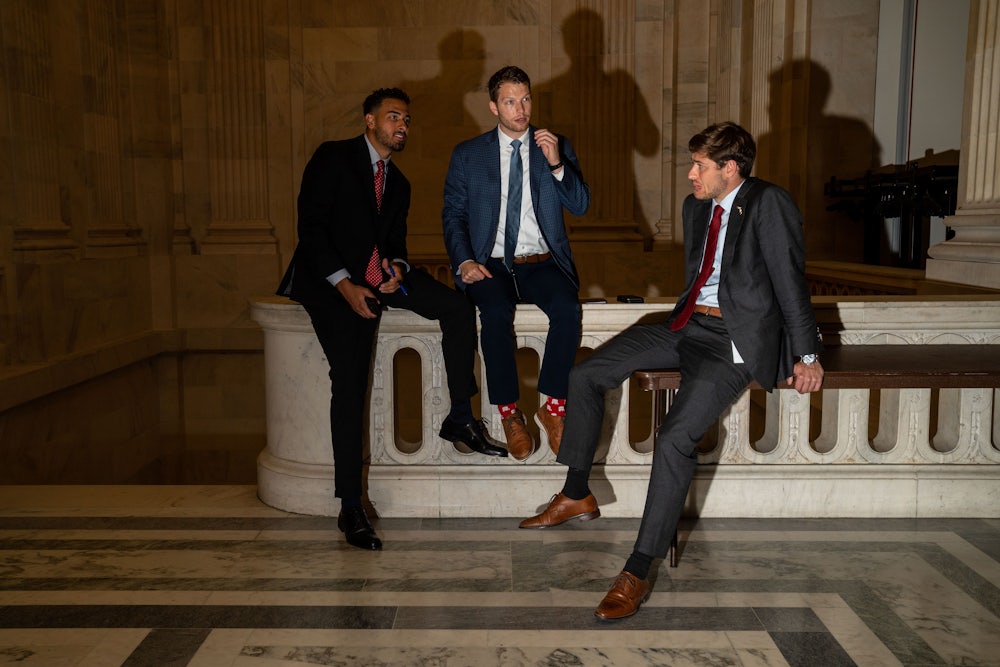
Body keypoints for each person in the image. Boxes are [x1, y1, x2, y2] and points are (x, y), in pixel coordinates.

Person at [519, 121, 825, 620]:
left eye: (700, 166)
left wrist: (807, 355)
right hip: (686, 327)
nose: (690, 175)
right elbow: (698, 278)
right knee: (587, 374)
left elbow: (791, 280)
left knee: (675, 437)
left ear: (730, 168)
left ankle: (637, 570)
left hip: (732, 343)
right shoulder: (696, 207)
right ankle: (576, 492)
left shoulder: (769, 203)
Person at [277, 88, 505, 552]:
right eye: (393, 117)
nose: (402, 125)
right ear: (369, 120)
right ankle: (349, 506)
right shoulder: (333, 158)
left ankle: (460, 416)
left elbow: (395, 240)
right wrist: (345, 285)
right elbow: (311, 229)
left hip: (380, 277)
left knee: (457, 307)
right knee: (351, 382)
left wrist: (397, 268)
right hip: (331, 284)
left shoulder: (398, 182)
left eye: (406, 119)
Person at [442, 65, 591, 461]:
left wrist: (558, 163)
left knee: (566, 308)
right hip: (489, 264)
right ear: (494, 106)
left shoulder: (553, 145)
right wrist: (464, 261)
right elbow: (453, 213)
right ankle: (510, 415)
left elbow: (580, 205)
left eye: (525, 99)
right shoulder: (468, 155)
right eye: (510, 101)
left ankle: (553, 408)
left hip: (541, 262)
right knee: (493, 312)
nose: (520, 109)